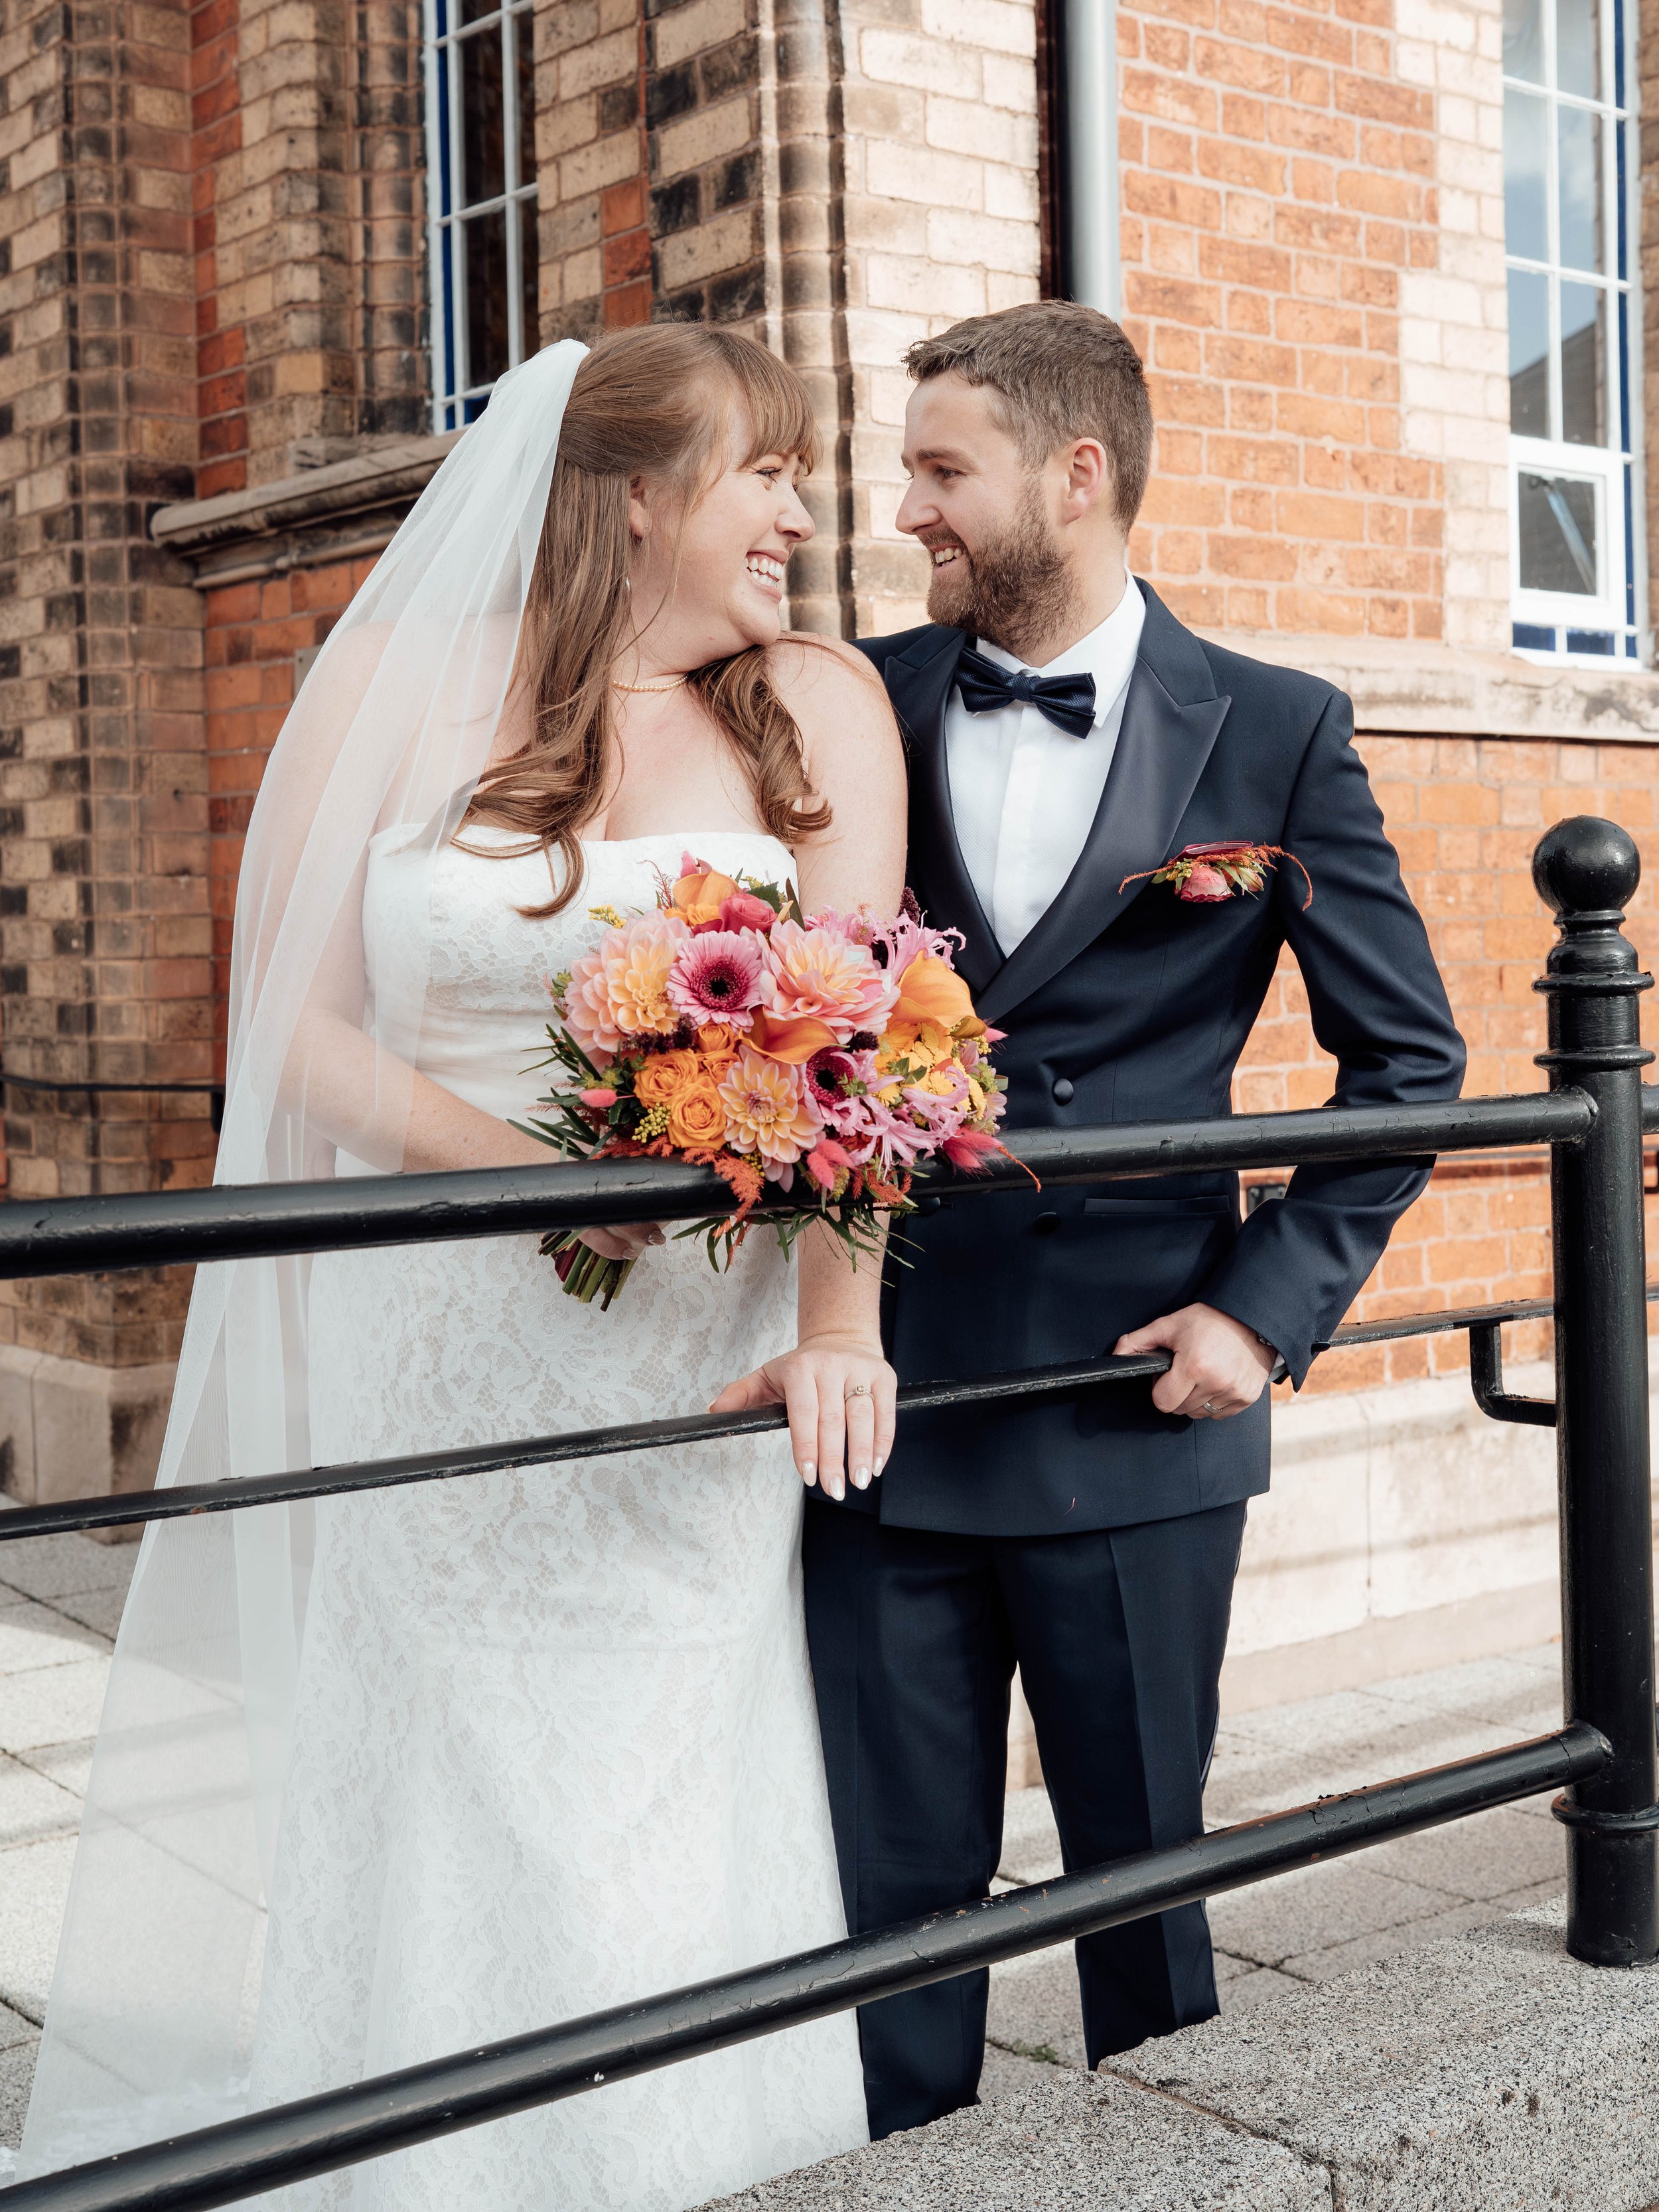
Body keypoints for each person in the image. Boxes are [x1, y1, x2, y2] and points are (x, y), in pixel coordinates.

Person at [17, 329, 906, 2210]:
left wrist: (840, 1325)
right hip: (444, 1332)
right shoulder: (402, 692)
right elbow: (300, 1027)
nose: (802, 514)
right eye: (766, 471)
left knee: (651, 1786)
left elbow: (867, 1054)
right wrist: (530, 1181)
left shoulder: (812, 705)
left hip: (692, 1366)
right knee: (447, 1768)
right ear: (637, 493)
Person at [800, 300, 1467, 2140]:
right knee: (882, 1907)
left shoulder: (1270, 730)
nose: (907, 510)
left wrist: (1262, 1314)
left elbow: (1407, 1063)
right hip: (886, 1399)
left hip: (1135, 1402)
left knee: (1142, 1898)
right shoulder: (849, 699)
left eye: (943, 470)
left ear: (1073, 474)